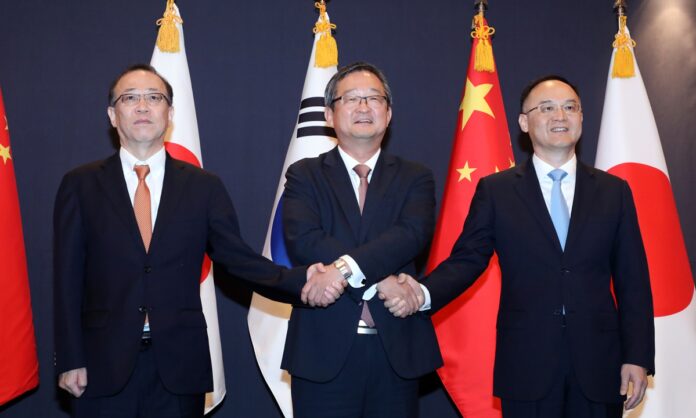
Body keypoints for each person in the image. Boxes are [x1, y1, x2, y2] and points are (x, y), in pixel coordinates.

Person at [53, 64, 343, 418]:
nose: (142, 106)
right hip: (100, 364)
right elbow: (67, 280)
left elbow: (238, 260)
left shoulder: (203, 186)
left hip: (179, 365)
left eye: (154, 97)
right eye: (129, 98)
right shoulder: (80, 185)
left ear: (170, 113)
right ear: (113, 115)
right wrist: (70, 358)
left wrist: (303, 280)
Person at [391, 76, 655, 417]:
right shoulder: (497, 191)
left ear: (581, 117)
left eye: (570, 107)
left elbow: (633, 280)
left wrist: (637, 355)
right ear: (524, 122)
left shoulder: (614, 191)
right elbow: (468, 260)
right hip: (527, 363)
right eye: (546, 108)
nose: (560, 115)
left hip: (599, 363)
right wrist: (421, 294)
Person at [280, 62, 442, 418]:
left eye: (374, 98)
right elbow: (304, 239)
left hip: (395, 350)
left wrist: (346, 268)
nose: (364, 107)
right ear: (329, 114)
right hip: (322, 350)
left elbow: (411, 234)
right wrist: (381, 280)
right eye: (352, 99)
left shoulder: (416, 177)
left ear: (389, 113)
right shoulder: (304, 174)